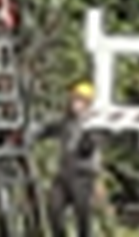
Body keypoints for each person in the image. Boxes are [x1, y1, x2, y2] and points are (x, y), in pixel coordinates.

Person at [41, 81, 101, 237]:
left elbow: (90, 148)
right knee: (54, 210)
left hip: (83, 176)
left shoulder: (94, 123)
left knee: (82, 217)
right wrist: (33, 133)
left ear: (89, 104)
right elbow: (47, 129)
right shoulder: (66, 121)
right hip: (63, 174)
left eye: (81, 101)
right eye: (75, 99)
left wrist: (88, 139)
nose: (76, 104)